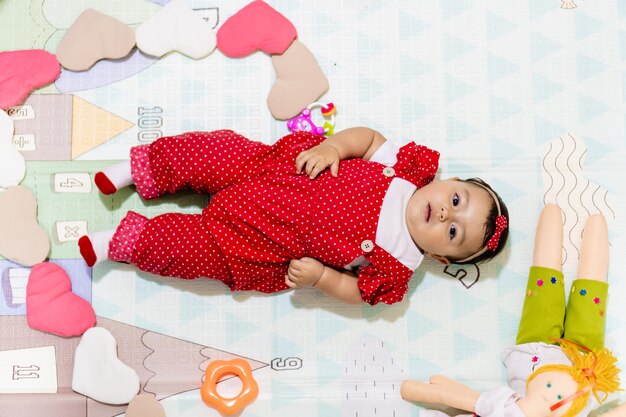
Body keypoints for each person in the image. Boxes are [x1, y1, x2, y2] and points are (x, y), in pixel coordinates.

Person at [78, 127, 509, 305]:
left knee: (191, 251)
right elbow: (368, 138)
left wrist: (322, 279)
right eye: (457, 198)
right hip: (272, 169)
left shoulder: (399, 266)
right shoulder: (408, 170)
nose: (445, 214)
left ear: (441, 259)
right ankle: (141, 170)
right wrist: (334, 148)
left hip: (260, 241)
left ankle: (121, 242)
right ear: (449, 180)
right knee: (210, 153)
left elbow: (358, 293)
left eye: (453, 231)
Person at [400, 204, 621, 416]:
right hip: (585, 369)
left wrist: (433, 388)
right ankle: (593, 228)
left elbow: (470, 400)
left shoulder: (501, 409)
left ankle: (561, 221)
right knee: (590, 297)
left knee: (545, 290)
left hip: (533, 353)